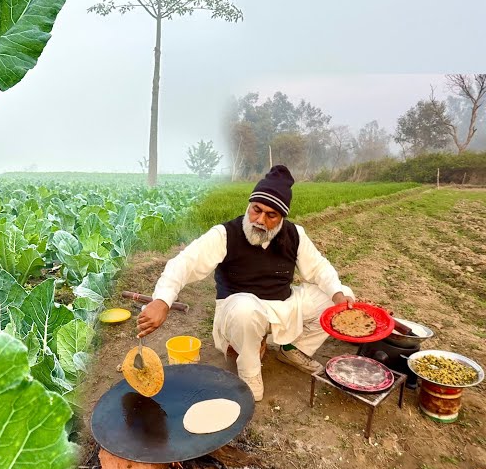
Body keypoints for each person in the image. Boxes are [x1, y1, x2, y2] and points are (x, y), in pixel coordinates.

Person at [136, 165, 356, 400]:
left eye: (271, 215)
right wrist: (162, 300)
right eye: (256, 210)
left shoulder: (294, 235)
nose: (259, 220)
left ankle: (293, 350)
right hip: (238, 311)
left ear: (282, 218)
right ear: (249, 205)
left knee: (336, 296)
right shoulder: (224, 234)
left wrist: (338, 294)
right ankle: (249, 373)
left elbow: (320, 268)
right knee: (246, 310)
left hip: (281, 306)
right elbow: (184, 263)